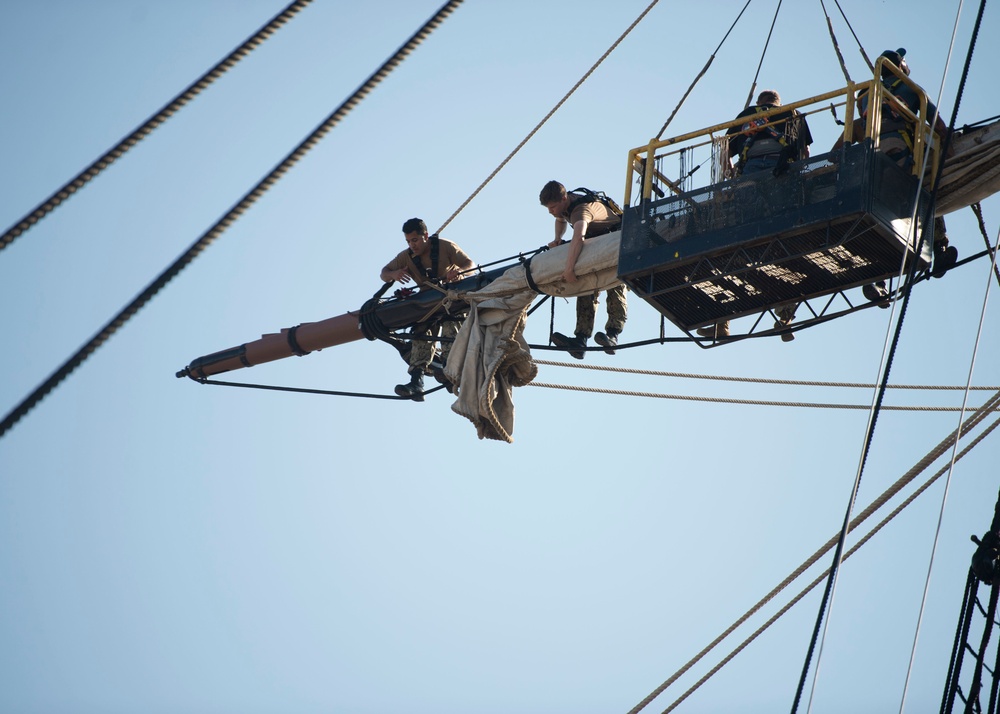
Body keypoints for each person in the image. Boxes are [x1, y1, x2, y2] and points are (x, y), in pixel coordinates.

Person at [836, 48, 957, 304]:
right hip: (902, 153)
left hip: (872, 161)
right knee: (925, 195)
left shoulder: (865, 95)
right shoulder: (913, 91)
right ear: (900, 66)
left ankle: (876, 278)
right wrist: (949, 144)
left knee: (880, 214)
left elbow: (852, 133)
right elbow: (938, 125)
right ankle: (939, 248)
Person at [698, 90, 813, 341]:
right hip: (781, 176)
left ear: (759, 103)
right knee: (782, 242)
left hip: (749, 176)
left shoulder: (745, 116)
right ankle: (785, 318)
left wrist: (730, 173)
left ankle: (722, 321)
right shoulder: (792, 114)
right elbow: (803, 152)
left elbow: (725, 150)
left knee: (737, 245)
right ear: (777, 103)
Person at [380, 218, 475, 400]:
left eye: (415, 240)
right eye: (408, 241)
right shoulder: (406, 256)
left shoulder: (445, 246)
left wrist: (459, 273)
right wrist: (394, 274)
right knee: (421, 334)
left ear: (425, 235)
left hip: (452, 300)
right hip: (428, 305)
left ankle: (452, 372)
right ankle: (416, 382)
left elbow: (469, 264)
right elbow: (384, 273)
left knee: (450, 328)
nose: (412, 245)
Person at [538, 180, 627, 359]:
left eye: (553, 207)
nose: (551, 211)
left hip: (617, 243)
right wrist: (557, 238)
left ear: (564, 198)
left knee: (614, 284)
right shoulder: (566, 204)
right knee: (585, 286)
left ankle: (613, 334)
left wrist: (569, 269)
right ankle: (580, 339)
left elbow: (578, 238)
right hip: (596, 243)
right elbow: (560, 219)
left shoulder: (581, 211)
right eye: (548, 208)